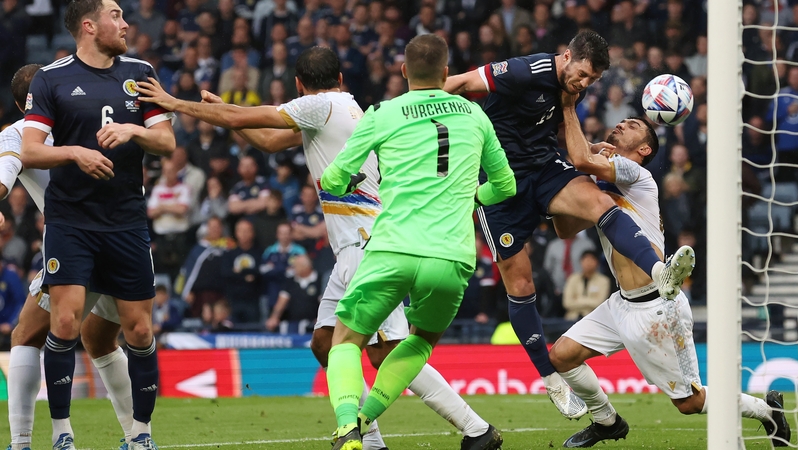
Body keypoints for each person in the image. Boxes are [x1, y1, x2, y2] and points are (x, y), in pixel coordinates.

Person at [135, 45, 503, 450]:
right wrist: (226, 112)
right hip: (352, 245)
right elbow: (269, 143)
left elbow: (243, 116)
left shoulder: (321, 106)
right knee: (325, 344)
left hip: (368, 243)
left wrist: (174, 103)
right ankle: (372, 440)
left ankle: (475, 429)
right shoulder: (341, 108)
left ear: (298, 85)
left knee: (386, 353)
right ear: (341, 78)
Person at [443, 29, 693, 419]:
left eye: (592, 79)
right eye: (584, 75)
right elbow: (458, 83)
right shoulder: (526, 70)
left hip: (544, 167)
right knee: (519, 280)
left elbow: (557, 128)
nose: (585, 84)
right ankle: (550, 378)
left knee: (597, 201)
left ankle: (659, 271)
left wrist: (588, 148)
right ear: (567, 56)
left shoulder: (572, 88)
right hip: (498, 179)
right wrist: (423, 110)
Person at [548, 95, 788, 447]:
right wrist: (564, 192)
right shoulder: (602, 188)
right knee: (562, 355)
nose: (619, 125)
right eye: (622, 121)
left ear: (644, 149)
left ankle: (766, 411)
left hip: (658, 307)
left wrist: (568, 107)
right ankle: (606, 421)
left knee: (689, 403)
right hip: (622, 302)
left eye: (630, 126)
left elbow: (582, 157)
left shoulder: (638, 175)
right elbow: (564, 230)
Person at [319, 34, 516, 450]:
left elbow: (333, 180)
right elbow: (506, 185)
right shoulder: (475, 116)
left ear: (404, 71)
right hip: (452, 256)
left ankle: (347, 427)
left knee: (346, 341)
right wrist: (472, 196)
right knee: (420, 340)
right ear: (446, 73)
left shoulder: (382, 113)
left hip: (392, 248)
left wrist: (348, 180)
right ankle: (366, 417)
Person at [20, 0, 175, 448]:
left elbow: (166, 140)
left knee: (141, 331)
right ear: (88, 26)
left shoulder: (141, 71)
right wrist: (74, 152)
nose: (126, 23)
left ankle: (141, 435)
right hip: (71, 221)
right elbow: (30, 150)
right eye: (115, 15)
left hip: (126, 220)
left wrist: (134, 132)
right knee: (65, 324)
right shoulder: (52, 78)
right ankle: (62, 434)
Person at [2, 64, 137, 450]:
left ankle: (24, 442)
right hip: (127, 240)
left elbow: (4, 173)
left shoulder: (16, 134)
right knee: (100, 339)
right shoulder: (93, 114)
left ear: (19, 103)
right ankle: (138, 436)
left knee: (26, 334)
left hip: (79, 246)